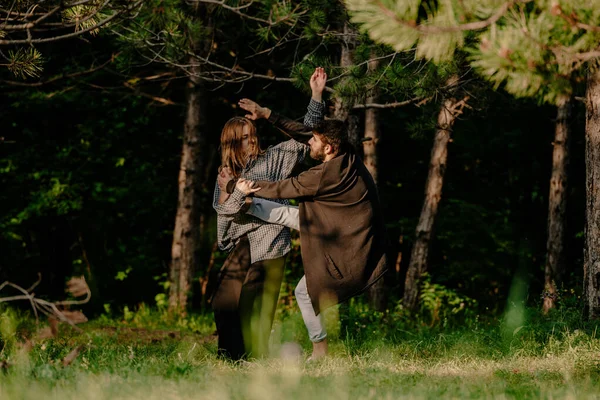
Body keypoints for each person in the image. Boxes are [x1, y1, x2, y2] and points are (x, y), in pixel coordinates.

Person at [222, 119, 389, 361]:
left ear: (328, 148)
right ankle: (249, 206)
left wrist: (232, 186)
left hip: (344, 243)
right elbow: (305, 134)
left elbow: (281, 189)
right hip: (340, 227)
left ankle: (320, 351)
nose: (308, 142)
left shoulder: (322, 175)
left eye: (314, 140)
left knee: (303, 291)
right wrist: (269, 115)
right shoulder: (348, 155)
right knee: (285, 213)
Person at [211, 68, 327, 360]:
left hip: (270, 243)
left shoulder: (274, 158)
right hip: (241, 243)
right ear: (231, 143)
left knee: (255, 305)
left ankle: (254, 359)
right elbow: (224, 211)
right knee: (223, 301)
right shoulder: (226, 173)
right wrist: (234, 190)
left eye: (253, 135)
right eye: (244, 138)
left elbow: (307, 135)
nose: (252, 141)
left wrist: (315, 95)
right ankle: (230, 357)